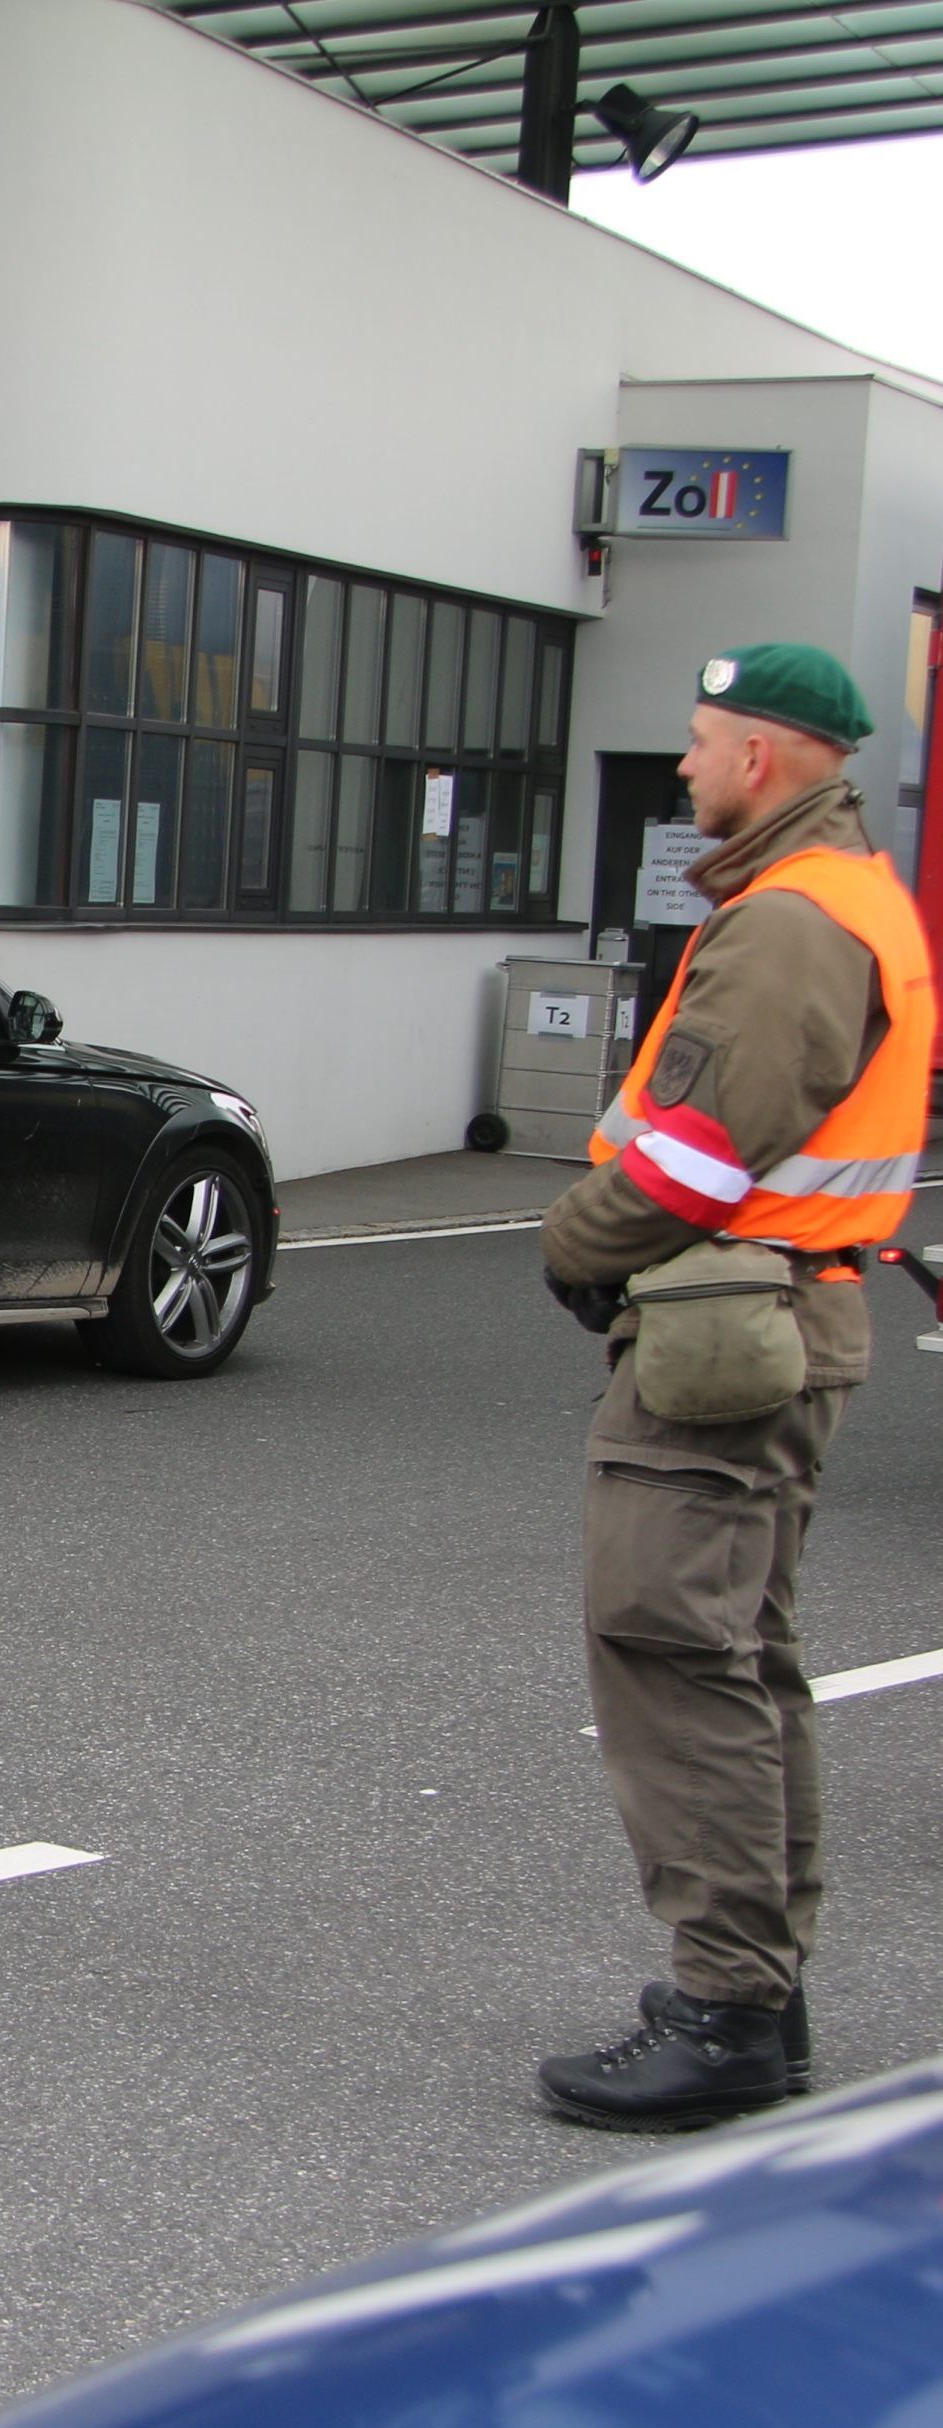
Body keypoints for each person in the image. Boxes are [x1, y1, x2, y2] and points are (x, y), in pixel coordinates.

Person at [537, 644, 936, 2132]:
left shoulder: (785, 922)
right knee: (736, 1654)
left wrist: (574, 1238)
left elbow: (702, 1147)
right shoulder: (839, 897)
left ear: (761, 757)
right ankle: (750, 1984)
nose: (685, 768)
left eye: (700, 744)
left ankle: (728, 2009)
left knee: (669, 1647)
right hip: (780, 1318)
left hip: (726, 1331)